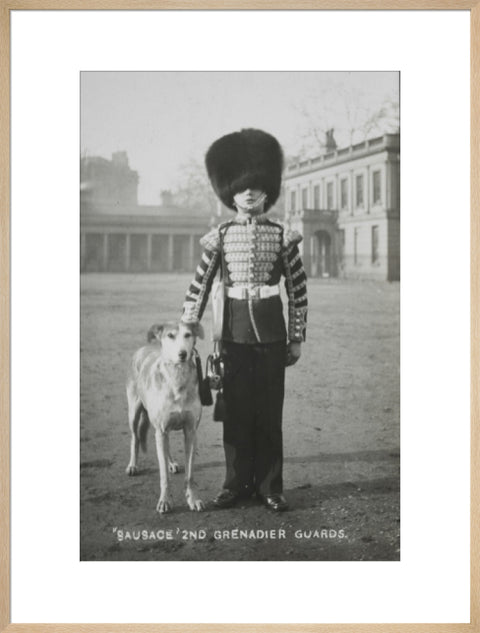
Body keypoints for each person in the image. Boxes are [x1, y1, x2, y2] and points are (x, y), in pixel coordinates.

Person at [182, 128, 307, 512]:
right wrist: (188, 326)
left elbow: (298, 289)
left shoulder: (282, 236)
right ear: (229, 193)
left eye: (256, 186)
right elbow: (200, 284)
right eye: (241, 187)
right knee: (235, 414)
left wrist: (296, 337)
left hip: (271, 335)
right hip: (232, 336)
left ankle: (271, 486)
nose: (249, 193)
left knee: (269, 414)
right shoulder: (220, 235)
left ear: (268, 191)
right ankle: (235, 483)